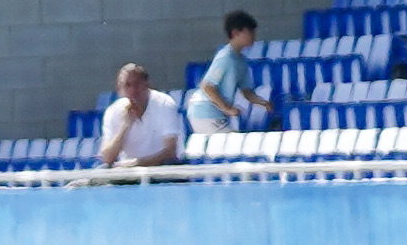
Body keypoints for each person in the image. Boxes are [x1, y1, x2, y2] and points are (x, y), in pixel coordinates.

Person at [191, 11, 272, 139]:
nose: (254, 36)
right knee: (233, 145)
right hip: (205, 113)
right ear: (235, 33)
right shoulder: (226, 57)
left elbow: (246, 91)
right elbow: (207, 86)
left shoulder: (241, 61)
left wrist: (263, 103)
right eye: (250, 32)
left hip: (216, 115)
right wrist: (227, 108)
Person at [93, 62, 183, 169]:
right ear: (119, 89)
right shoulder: (113, 111)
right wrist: (124, 126)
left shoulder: (164, 103)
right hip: (129, 172)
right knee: (101, 170)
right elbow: (107, 157)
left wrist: (137, 164)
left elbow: (170, 151)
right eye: (127, 85)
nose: (133, 91)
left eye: (137, 84)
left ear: (146, 85)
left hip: (161, 167)